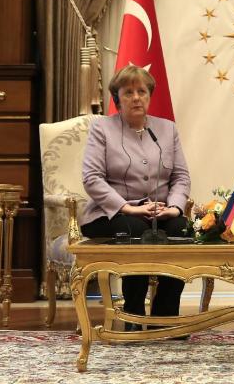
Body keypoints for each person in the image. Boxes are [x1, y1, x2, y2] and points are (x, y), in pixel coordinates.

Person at [79, 65, 191, 324]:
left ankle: (166, 316)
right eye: (128, 92)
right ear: (117, 99)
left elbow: (181, 177)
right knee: (137, 232)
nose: (137, 97)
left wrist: (174, 208)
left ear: (150, 96)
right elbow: (92, 178)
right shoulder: (102, 128)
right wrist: (128, 208)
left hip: (159, 211)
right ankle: (134, 314)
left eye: (142, 91)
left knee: (181, 229)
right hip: (110, 213)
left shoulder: (167, 129)